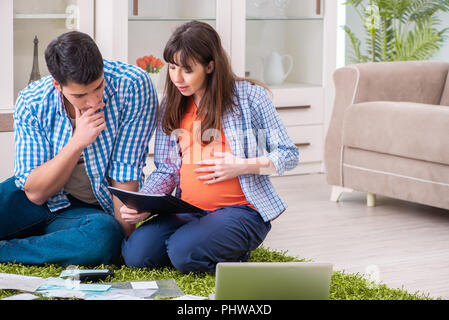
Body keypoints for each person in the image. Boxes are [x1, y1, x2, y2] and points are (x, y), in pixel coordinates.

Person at [120, 21, 299, 273]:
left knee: (182, 252)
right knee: (137, 255)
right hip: (187, 210)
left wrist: (241, 166)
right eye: (172, 68)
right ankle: (197, 244)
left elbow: (288, 155)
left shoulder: (250, 98)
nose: (177, 78)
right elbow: (167, 169)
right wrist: (144, 204)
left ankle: (224, 253)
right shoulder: (171, 104)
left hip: (242, 211)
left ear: (210, 66)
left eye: (187, 70)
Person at [0, 31, 158, 265]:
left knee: (104, 237)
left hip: (89, 212)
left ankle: (11, 250)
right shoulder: (32, 101)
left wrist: (128, 244)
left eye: (98, 87)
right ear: (57, 84)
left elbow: (125, 172)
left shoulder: (133, 86)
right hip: (39, 197)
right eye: (80, 95)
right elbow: (35, 192)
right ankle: (58, 243)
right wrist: (76, 143)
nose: (94, 102)